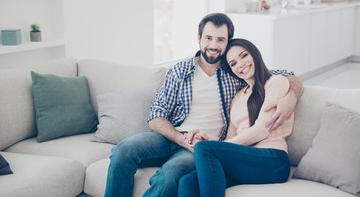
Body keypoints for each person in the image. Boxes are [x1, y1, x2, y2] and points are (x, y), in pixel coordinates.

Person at [104, 13, 303, 197]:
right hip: (172, 136)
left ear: (227, 43)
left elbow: (281, 75)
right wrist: (181, 139)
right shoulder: (179, 71)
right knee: (123, 150)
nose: (213, 45)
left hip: (205, 146)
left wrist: (292, 96)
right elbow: (156, 116)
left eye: (220, 40)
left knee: (170, 176)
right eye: (208, 38)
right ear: (199, 37)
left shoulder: (234, 71)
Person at [178, 38, 296, 197]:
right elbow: (231, 138)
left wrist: (212, 147)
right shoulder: (237, 97)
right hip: (244, 159)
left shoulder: (276, 82)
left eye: (244, 56)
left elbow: (262, 129)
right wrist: (213, 144)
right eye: (233, 63)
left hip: (273, 160)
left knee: (203, 148)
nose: (240, 64)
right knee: (187, 182)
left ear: (254, 54)